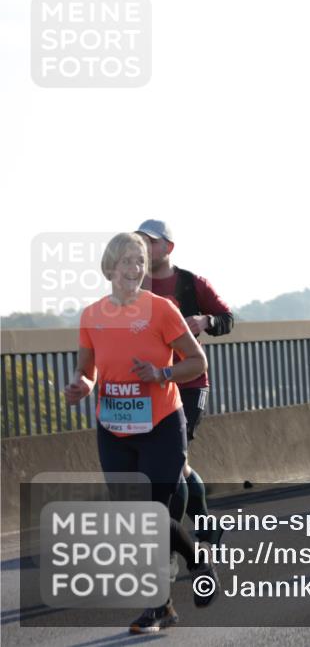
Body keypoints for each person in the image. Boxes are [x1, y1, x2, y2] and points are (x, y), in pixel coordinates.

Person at [63, 232, 218, 633]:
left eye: (139, 262)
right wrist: (81, 385)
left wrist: (163, 373)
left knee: (151, 516)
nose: (134, 269)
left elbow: (196, 362)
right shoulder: (91, 315)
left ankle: (157, 605)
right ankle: (189, 571)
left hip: (162, 424)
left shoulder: (162, 310)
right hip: (113, 427)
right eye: (126, 261)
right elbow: (88, 369)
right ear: (109, 267)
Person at [136, 220, 233, 550]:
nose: (144, 247)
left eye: (150, 242)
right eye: (139, 241)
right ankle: (206, 528)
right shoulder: (132, 285)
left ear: (168, 248)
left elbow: (227, 319)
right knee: (178, 464)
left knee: (172, 462)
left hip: (189, 382)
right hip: (149, 386)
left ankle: (170, 543)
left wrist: (206, 321)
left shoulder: (192, 283)